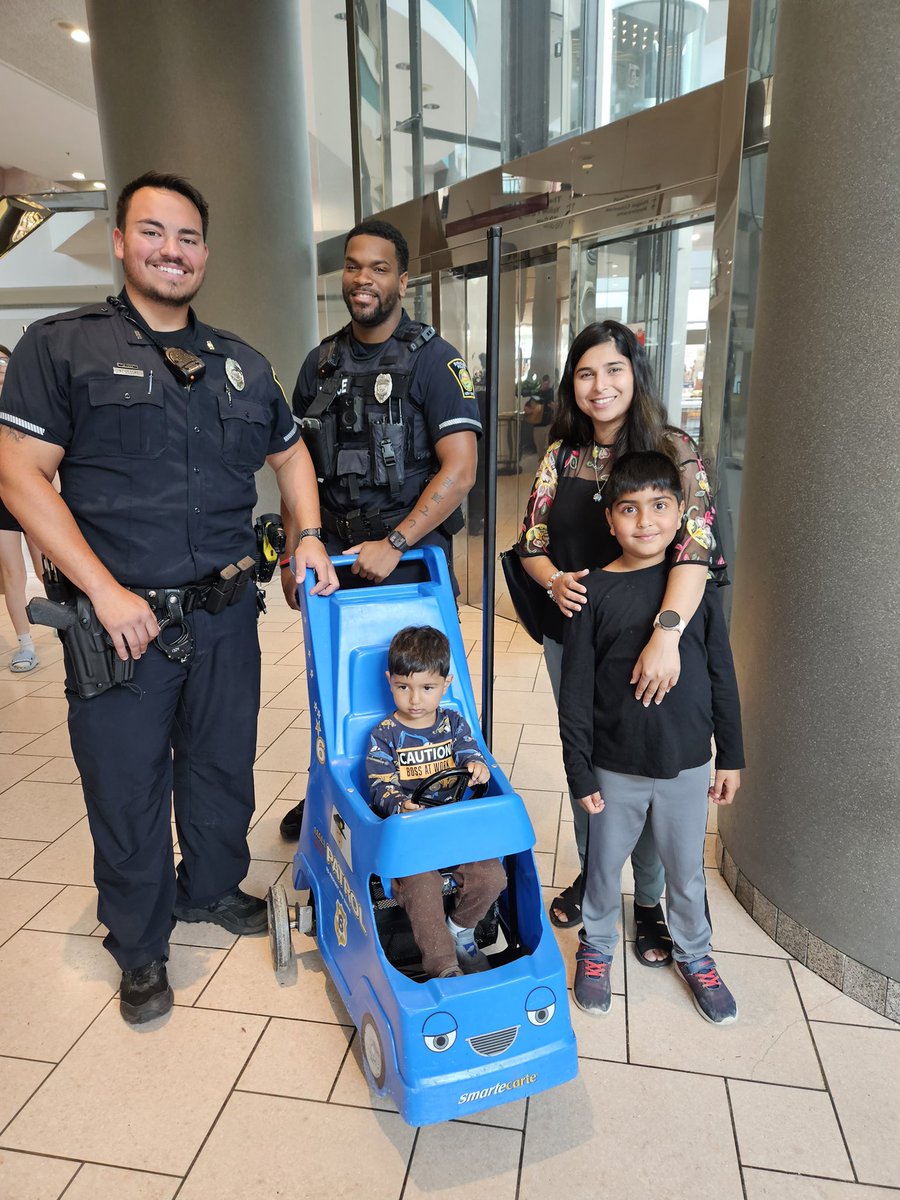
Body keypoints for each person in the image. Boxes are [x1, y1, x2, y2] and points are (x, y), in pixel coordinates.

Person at [0, 172, 337, 1026]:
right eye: (153, 232)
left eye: (187, 237)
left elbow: (292, 458)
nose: (171, 250)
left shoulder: (240, 362)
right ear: (119, 242)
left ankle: (212, 888)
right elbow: (17, 473)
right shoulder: (59, 346)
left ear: (205, 253)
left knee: (223, 770)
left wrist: (306, 537)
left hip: (227, 616)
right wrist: (103, 590)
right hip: (120, 626)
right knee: (127, 789)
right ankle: (141, 946)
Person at [515, 320, 725, 956]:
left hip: (661, 642)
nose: (599, 386)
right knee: (593, 757)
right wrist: (551, 581)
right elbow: (532, 539)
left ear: (636, 375)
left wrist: (665, 635)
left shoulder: (674, 449)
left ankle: (651, 899)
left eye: (613, 371)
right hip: (577, 638)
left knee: (652, 763)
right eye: (585, 373)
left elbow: (697, 546)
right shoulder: (562, 456)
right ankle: (595, 872)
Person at [279, 219, 481, 841]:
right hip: (335, 564)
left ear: (402, 278)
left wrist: (396, 544)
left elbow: (462, 469)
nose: (364, 279)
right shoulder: (320, 364)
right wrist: (295, 551)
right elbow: (297, 467)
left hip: (412, 567)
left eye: (379, 268)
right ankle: (337, 785)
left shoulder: (435, 361)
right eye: (354, 266)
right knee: (337, 687)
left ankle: (432, 783)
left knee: (411, 683)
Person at [558, 451, 743, 1024]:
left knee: (687, 870)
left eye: (660, 506)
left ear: (681, 511)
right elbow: (575, 696)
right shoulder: (593, 594)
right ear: (610, 520)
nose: (646, 521)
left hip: (687, 763)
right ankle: (596, 946)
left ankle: (696, 953)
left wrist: (730, 757)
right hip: (615, 768)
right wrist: (581, 771)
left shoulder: (694, 590)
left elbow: (721, 674)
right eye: (630, 509)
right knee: (604, 865)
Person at [365, 625, 506, 978]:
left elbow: (471, 750)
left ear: (446, 683)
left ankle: (461, 928)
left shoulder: (454, 723)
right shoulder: (385, 734)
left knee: (492, 877)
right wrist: (399, 803)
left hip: (454, 826)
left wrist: (476, 765)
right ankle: (443, 965)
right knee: (422, 888)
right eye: (403, 687)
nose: (414, 700)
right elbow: (379, 784)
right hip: (410, 834)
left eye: (427, 688)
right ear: (390, 681)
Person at [0, 346, 40, 672]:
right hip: (1, 499)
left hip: (34, 496)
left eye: (3, 362)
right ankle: (25, 645)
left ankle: (67, 623)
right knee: (13, 572)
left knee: (46, 570)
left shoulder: (31, 403)